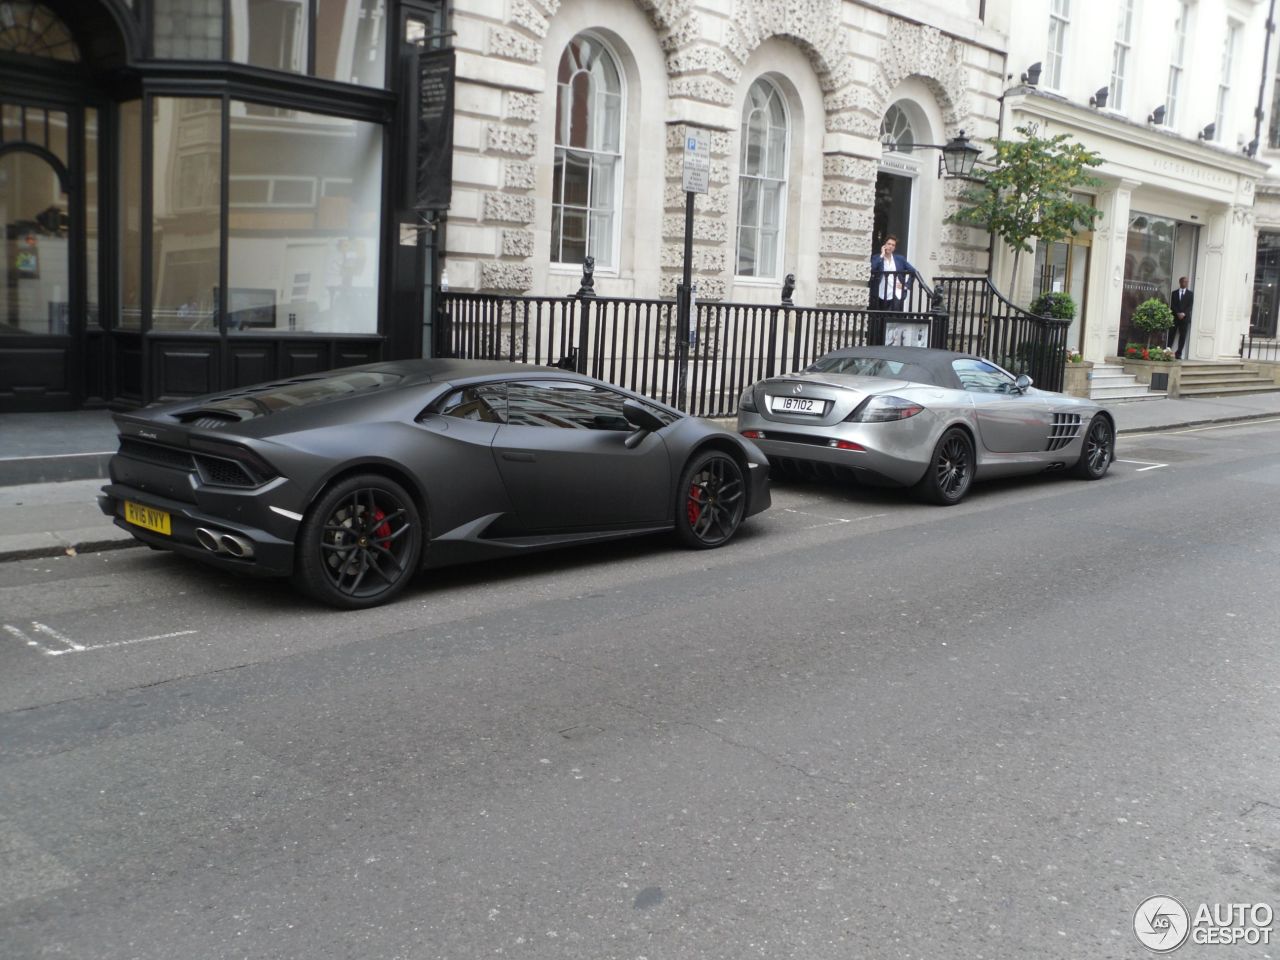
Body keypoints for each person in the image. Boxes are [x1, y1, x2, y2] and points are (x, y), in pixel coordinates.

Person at [870, 235, 917, 310]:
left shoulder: (900, 259)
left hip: (896, 293)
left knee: (892, 317)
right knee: (880, 318)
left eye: (893, 245)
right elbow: (872, 269)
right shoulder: (877, 258)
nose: (890, 246)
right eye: (889, 244)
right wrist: (882, 255)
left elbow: (913, 271)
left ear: (894, 248)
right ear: (884, 245)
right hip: (881, 293)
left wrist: (906, 285)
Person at [1169, 276, 1193, 359]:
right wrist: (1177, 313)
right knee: (1171, 335)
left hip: (1185, 318)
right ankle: (1168, 351)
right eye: (1184, 281)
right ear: (1180, 282)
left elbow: (1190, 306)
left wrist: (1183, 314)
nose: (1185, 283)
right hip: (1175, 317)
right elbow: (1172, 305)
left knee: (1183, 336)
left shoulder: (1190, 294)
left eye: (1187, 282)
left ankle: (1178, 354)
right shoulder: (1174, 293)